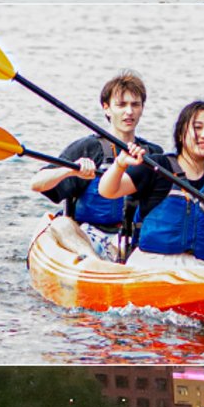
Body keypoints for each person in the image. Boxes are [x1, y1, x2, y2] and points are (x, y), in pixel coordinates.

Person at [29, 70, 163, 263]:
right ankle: (96, 264)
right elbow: (37, 183)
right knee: (61, 225)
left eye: (135, 104)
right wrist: (70, 170)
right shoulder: (88, 148)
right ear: (107, 108)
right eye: (121, 105)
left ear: (142, 108)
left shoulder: (151, 154)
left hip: (134, 241)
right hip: (90, 238)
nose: (129, 111)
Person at [98, 100, 204, 267]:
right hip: (152, 264)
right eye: (197, 128)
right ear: (180, 134)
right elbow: (108, 191)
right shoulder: (157, 167)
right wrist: (120, 164)